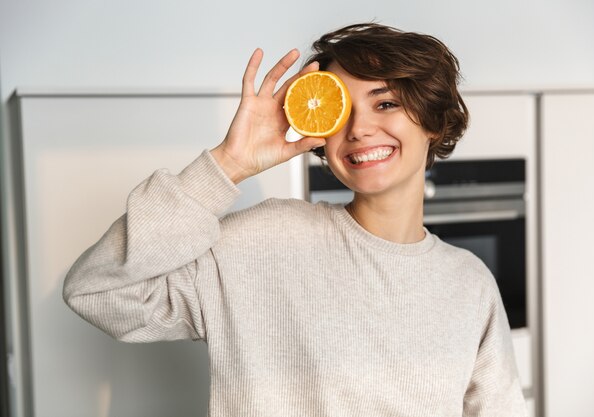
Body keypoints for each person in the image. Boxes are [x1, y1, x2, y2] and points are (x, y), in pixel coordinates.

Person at [64, 23, 527, 416]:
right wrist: (229, 163)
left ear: (434, 123)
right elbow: (97, 291)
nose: (358, 128)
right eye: (341, 109)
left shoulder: (469, 284)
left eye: (385, 103)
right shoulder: (266, 240)